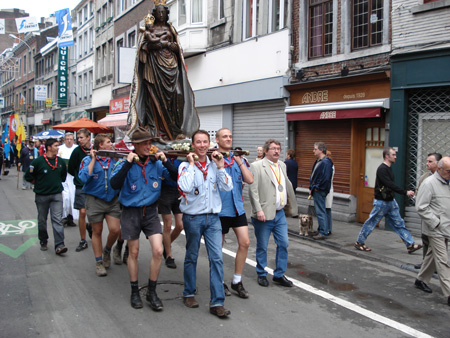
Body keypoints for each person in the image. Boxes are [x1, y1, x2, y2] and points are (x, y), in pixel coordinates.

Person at [110, 127, 177, 310]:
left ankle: (151, 291)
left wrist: (166, 160)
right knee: (134, 252)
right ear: (136, 146)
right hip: (131, 212)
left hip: (151, 212)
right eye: (145, 143)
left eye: (150, 143)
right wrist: (127, 164)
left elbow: (176, 177)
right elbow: (114, 184)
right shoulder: (126, 162)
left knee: (157, 250)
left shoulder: (155, 163)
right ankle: (134, 291)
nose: (149, 146)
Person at [178, 130, 233, 317]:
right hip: (193, 218)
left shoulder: (214, 164)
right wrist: (193, 165)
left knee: (216, 258)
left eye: (205, 142)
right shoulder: (185, 166)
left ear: (210, 144)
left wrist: (220, 167)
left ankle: (217, 302)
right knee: (192, 256)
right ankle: (189, 292)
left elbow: (227, 187)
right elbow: (185, 187)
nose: (202, 146)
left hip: (214, 219)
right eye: (198, 142)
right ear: (193, 145)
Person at [127, 5, 199, 140]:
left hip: (171, 66)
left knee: (178, 95)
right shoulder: (148, 30)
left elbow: (178, 48)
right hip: (154, 67)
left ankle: (175, 130)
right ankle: (157, 131)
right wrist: (160, 44)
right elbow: (143, 48)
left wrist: (175, 47)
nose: (161, 14)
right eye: (159, 12)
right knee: (154, 99)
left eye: (163, 12)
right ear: (155, 14)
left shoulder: (171, 29)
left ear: (166, 14)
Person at [249, 139, 298, 288]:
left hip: (279, 213)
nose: (277, 151)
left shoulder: (282, 165)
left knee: (283, 243)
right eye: (273, 149)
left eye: (278, 148)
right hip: (263, 213)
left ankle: (279, 274)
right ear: (266, 151)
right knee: (262, 246)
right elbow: (253, 190)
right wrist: (258, 210)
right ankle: (261, 273)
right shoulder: (256, 166)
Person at [355, 147, 422, 253]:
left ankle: (410, 245)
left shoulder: (388, 168)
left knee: (399, 223)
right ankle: (359, 242)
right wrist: (405, 192)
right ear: (387, 156)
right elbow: (389, 185)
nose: (395, 157)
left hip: (390, 201)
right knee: (371, 222)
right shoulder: (382, 169)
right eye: (393, 155)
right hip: (382, 202)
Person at [216, 128, 253, 298]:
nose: (228, 139)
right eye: (225, 136)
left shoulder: (239, 158)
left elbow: (250, 179)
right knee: (218, 248)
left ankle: (237, 280)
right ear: (217, 140)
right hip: (220, 210)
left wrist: (239, 162)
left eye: (230, 136)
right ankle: (219, 281)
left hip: (237, 208)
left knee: (244, 243)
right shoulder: (214, 158)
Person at [78, 134, 121, 277]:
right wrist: (93, 159)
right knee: (97, 231)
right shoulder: (87, 160)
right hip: (95, 200)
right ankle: (99, 262)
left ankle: (107, 250)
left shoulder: (114, 159)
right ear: (100, 145)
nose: (112, 144)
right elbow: (83, 178)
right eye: (109, 142)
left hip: (112, 200)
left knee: (115, 230)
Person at [414, 156, 450, 307]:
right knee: (443, 260)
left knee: (432, 256)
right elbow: (421, 207)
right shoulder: (429, 183)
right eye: (449, 171)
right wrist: (436, 223)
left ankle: (420, 280)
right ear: (440, 169)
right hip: (435, 229)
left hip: (446, 227)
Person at [24, 139, 68, 254]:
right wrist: (37, 183)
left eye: (58, 145)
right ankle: (43, 240)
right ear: (48, 147)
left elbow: (62, 177)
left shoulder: (61, 162)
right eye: (55, 146)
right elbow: (28, 175)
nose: (58, 148)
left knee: (57, 220)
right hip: (41, 196)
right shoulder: (38, 162)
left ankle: (60, 245)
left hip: (57, 195)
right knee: (42, 220)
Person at [415, 152, 442, 269]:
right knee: (425, 239)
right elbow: (418, 192)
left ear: (438, 164)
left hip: (440, 216)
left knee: (439, 242)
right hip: (426, 214)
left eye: (430, 161)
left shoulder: (444, 177)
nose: (427, 164)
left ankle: (438, 265)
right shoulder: (424, 177)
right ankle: (425, 263)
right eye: (427, 161)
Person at [68, 128, 92, 252]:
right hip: (81, 186)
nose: (79, 140)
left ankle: (90, 226)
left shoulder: (95, 150)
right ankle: (83, 240)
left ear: (88, 137)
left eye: (81, 137)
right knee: (82, 212)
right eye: (78, 137)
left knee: (94, 214)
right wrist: (79, 177)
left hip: (93, 186)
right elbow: (71, 168)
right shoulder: (77, 151)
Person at [309, 142, 333, 240]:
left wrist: (316, 187)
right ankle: (321, 229)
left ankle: (323, 232)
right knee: (320, 210)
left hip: (320, 190)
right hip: (317, 189)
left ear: (321, 150)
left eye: (315, 149)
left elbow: (325, 178)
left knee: (320, 211)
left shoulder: (325, 162)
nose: (313, 151)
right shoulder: (319, 161)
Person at [58, 133, 78, 227]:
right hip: (64, 176)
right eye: (67, 139)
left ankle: (70, 217)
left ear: (73, 140)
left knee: (72, 197)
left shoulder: (76, 148)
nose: (69, 141)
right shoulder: (60, 149)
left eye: (71, 139)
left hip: (73, 176)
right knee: (65, 197)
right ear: (64, 140)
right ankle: (63, 216)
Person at [325, 150, 335, 235]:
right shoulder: (330, 164)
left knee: (327, 209)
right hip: (327, 189)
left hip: (327, 190)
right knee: (325, 209)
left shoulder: (329, 165)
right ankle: (326, 227)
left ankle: (328, 228)